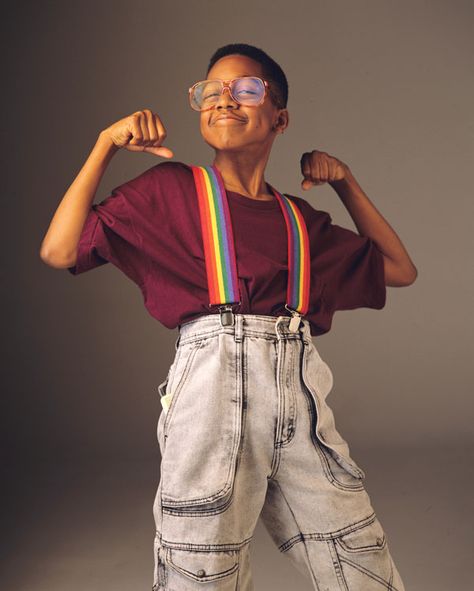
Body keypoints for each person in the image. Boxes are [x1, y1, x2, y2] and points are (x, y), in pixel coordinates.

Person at [40, 43, 417, 591]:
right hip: (212, 401)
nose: (224, 100)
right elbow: (60, 250)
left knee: (359, 562)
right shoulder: (169, 192)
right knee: (201, 570)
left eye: (245, 89)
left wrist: (345, 182)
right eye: (211, 91)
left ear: (279, 117)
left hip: (301, 408)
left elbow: (398, 269)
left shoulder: (299, 220)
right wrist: (104, 146)